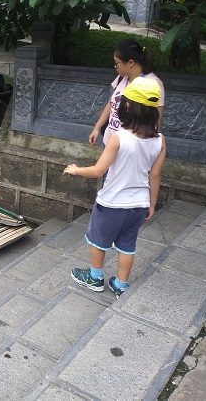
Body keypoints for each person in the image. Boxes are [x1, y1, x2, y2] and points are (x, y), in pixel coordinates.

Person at [65, 77, 166, 299]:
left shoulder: (119, 138)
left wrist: (76, 170)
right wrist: (152, 204)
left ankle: (95, 277)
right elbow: (155, 175)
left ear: (128, 107)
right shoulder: (160, 140)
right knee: (127, 245)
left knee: (97, 240)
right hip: (138, 205)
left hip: (112, 203)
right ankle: (121, 285)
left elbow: (98, 171)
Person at [89, 38, 165, 147]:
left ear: (130, 63)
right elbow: (111, 104)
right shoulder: (122, 78)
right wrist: (97, 128)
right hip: (110, 141)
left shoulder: (153, 84)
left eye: (117, 63)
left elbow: (156, 120)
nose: (115, 67)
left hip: (131, 147)